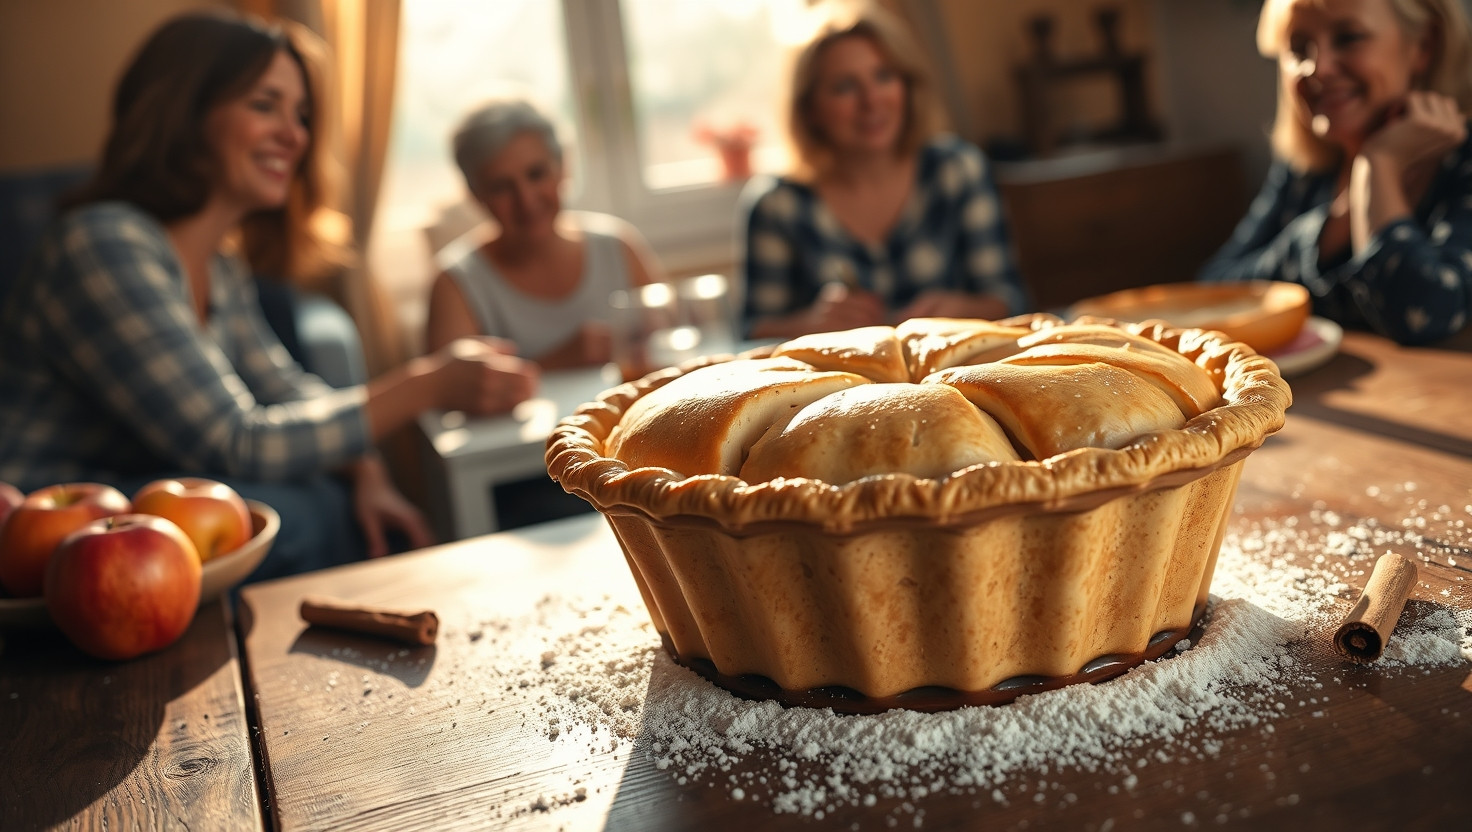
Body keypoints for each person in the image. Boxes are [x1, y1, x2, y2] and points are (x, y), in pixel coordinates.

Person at [0, 11, 540, 581]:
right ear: (185, 112)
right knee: (291, 514)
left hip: (133, 509)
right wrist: (428, 385)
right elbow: (236, 440)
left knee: (317, 497)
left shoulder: (219, 263)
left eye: (300, 115)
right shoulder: (102, 244)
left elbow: (284, 390)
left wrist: (366, 469)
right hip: (42, 538)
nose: (296, 135)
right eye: (265, 106)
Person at [740, 1, 1029, 340]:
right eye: (844, 87)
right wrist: (810, 324)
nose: (871, 100)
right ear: (809, 109)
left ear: (907, 85)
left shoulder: (958, 170)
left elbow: (1012, 301)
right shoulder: (776, 205)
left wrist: (962, 310)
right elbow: (750, 333)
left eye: (883, 76)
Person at [1200, 0, 1472, 345]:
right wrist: (1336, 222)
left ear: (1423, 46)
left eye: (1348, 38)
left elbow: (1425, 314)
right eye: (1299, 48)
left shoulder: (1463, 162)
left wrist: (1377, 164)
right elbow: (1210, 293)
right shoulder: (1306, 169)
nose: (1319, 68)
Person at [424, 99, 662, 368]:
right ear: (475, 195)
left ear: (563, 168)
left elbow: (667, 347)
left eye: (536, 174)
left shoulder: (618, 248)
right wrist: (558, 361)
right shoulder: (454, 284)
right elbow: (452, 390)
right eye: (501, 187)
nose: (525, 200)